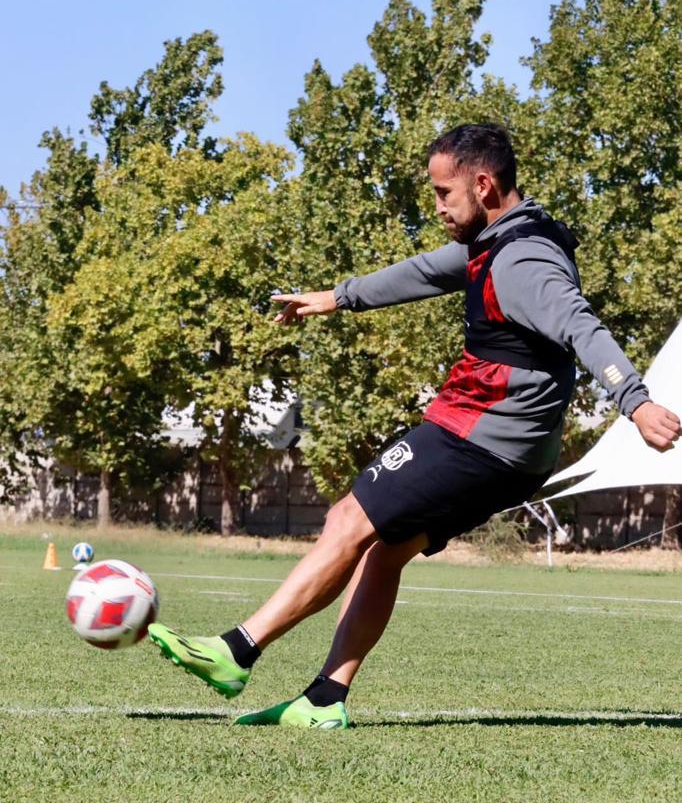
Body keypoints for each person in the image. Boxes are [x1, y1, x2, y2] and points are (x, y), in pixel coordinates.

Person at [149, 123, 680, 730]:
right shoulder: (505, 239)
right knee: (383, 550)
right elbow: (425, 273)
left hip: (479, 435)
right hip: (515, 454)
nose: (437, 208)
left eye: (443, 193)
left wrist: (635, 402)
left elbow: (582, 327)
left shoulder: (525, 261)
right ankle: (324, 700)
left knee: (350, 519)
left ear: (482, 185)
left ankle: (236, 651)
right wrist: (337, 297)